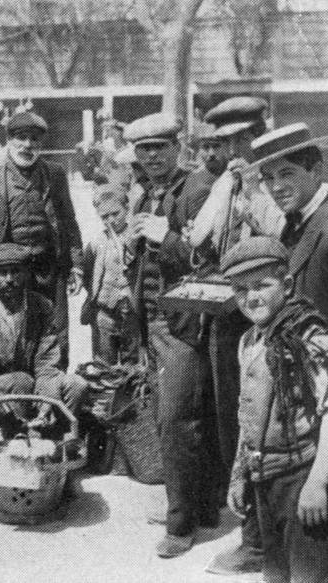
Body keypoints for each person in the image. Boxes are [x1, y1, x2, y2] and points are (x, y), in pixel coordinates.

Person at [251, 122, 328, 583]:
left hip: (327, 416)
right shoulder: (291, 230)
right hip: (294, 418)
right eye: (268, 178)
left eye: (286, 173)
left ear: (316, 169)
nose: (276, 186)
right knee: (307, 544)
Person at [222, 237, 328, 583]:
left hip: (304, 476)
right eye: (240, 289)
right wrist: (240, 474)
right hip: (266, 481)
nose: (251, 297)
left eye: (261, 285)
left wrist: (317, 483)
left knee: (316, 574)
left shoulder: (308, 337)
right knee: (278, 574)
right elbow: (248, 417)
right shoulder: (249, 341)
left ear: (286, 285)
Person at [189, 97, 284, 577]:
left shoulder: (275, 179)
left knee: (268, 423)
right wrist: (228, 188)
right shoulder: (225, 180)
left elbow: (282, 233)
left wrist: (254, 190)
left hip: (268, 311)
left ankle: (263, 539)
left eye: (241, 139)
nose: (233, 149)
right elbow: (199, 236)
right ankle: (252, 528)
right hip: (231, 314)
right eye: (226, 142)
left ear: (257, 135)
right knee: (235, 420)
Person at [122, 112, 219, 558]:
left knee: (178, 421)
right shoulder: (145, 193)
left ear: (178, 148)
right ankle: (201, 506)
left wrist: (168, 238)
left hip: (184, 325)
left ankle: (181, 525)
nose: (152, 156)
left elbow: (212, 260)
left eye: (160, 147)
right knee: (173, 416)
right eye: (144, 150)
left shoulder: (196, 190)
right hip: (153, 323)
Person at [0, 110, 83, 367]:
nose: (27, 145)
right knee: (15, 337)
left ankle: (53, 386)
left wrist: (76, 266)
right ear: (9, 141)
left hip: (49, 269)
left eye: (34, 139)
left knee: (56, 334)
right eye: (21, 138)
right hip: (10, 273)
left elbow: (69, 222)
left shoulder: (55, 174)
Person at [0, 243, 89, 439]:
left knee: (77, 385)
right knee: (20, 380)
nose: (9, 279)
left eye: (15, 271)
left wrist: (48, 399)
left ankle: (53, 438)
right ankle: (18, 439)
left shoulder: (42, 306)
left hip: (32, 389)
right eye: (2, 273)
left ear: (26, 273)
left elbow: (46, 366)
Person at [81, 184, 138, 365]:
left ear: (126, 209)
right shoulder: (96, 243)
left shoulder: (137, 238)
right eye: (105, 217)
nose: (111, 220)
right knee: (103, 363)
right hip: (104, 312)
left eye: (115, 213)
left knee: (132, 362)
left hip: (130, 311)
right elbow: (88, 274)